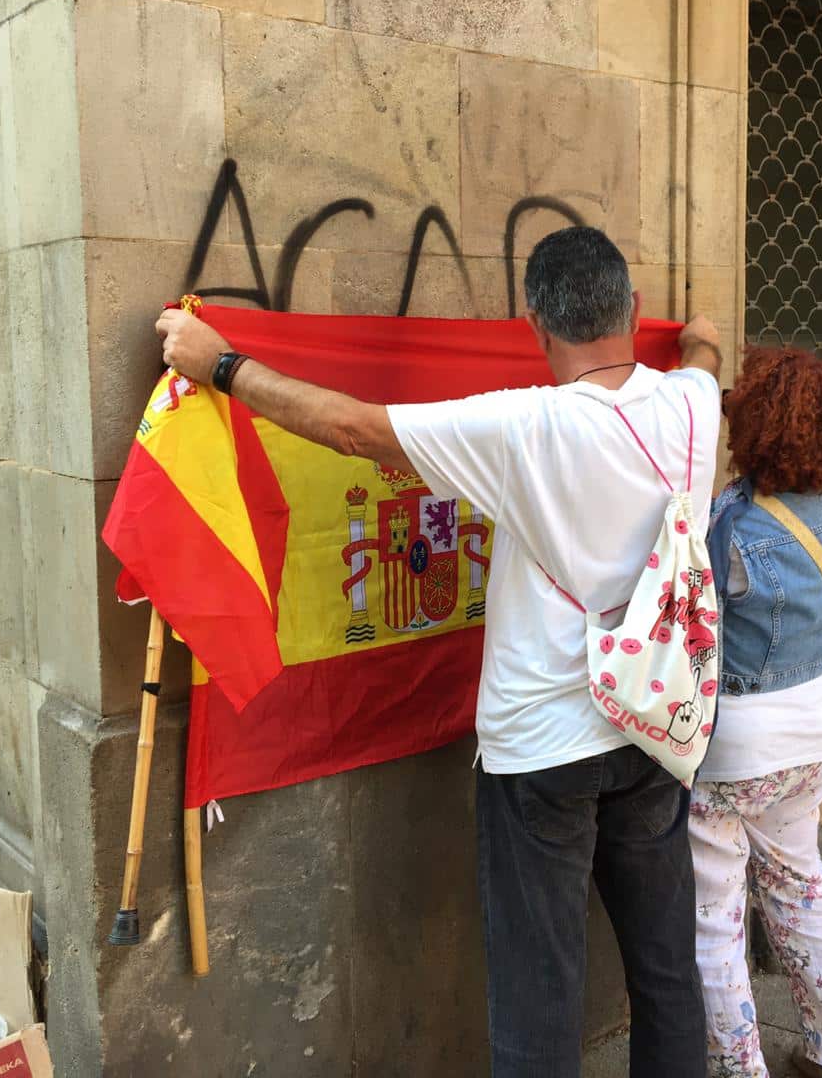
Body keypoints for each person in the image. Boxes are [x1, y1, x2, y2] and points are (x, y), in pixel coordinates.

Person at [156, 226, 722, 1078]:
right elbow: (709, 354)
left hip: (544, 754)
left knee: (540, 994)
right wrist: (700, 333)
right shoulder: (694, 404)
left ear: (534, 322)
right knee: (667, 973)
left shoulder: (523, 425)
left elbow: (352, 430)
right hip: (656, 726)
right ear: (631, 310)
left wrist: (221, 363)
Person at [690, 347, 822, 1078]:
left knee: (713, 913)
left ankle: (740, 1069)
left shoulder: (732, 524)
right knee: (803, 886)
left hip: (736, 744)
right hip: (815, 730)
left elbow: (690, 618)